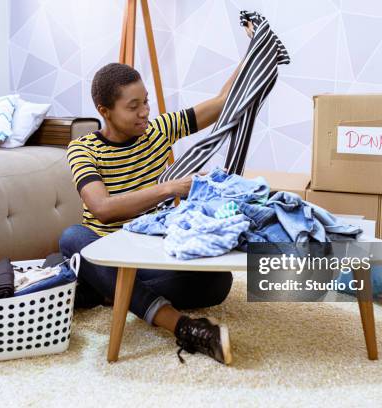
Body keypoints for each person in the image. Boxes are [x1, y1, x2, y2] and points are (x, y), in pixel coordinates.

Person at [60, 23, 254, 365]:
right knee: (73, 237)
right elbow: (102, 209)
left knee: (218, 283)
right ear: (104, 111)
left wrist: (254, 51)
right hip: (106, 251)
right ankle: (183, 327)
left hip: (150, 257)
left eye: (145, 102)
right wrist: (170, 187)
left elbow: (224, 104)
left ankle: (114, 293)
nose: (145, 112)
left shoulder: (158, 130)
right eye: (133, 106)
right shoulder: (83, 149)